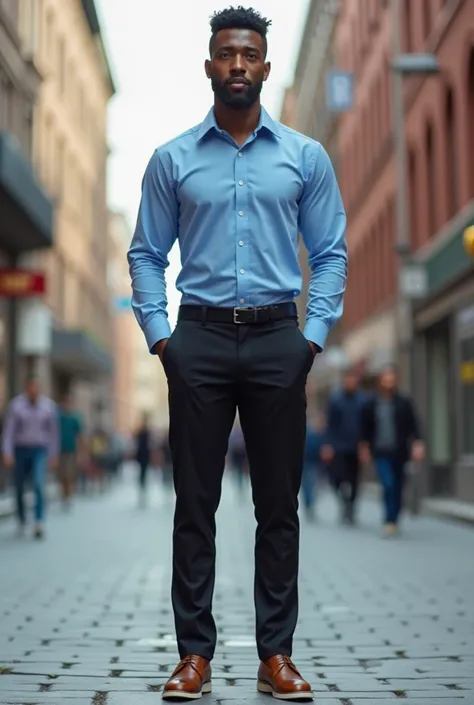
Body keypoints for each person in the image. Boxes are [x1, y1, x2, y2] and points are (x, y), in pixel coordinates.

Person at [128, 6, 346, 700]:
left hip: (281, 337)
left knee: (277, 505)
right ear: (210, 65)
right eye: (227, 54)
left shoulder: (304, 157)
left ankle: (275, 653)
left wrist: (311, 335)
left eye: (250, 54)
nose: (239, 66)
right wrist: (163, 337)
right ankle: (194, 653)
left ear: (266, 66)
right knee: (195, 503)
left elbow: (332, 253)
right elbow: (146, 253)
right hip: (201, 337)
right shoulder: (173, 159)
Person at [359, 366, 425, 537]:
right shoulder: (372, 404)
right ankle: (389, 519)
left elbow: (414, 425)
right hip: (380, 451)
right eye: (385, 379)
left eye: (392, 379)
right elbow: (365, 429)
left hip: (400, 451)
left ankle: (395, 518)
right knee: (388, 484)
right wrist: (364, 448)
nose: (388, 383)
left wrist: (418, 444)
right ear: (380, 381)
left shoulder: (404, 402)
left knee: (398, 485)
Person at [1, 377, 59, 539]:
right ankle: (22, 520)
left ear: (39, 389)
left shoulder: (48, 407)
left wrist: (53, 454)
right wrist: (7, 452)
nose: (33, 391)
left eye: (36, 388)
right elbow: (9, 431)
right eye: (30, 388)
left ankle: (39, 521)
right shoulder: (16, 406)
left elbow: (53, 433)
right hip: (20, 450)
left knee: (39, 484)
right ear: (27, 389)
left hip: (39, 450)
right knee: (19, 487)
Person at [321, 370, 367, 525]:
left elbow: (366, 425)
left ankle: (351, 507)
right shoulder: (335, 400)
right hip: (338, 446)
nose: (350, 383)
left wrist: (364, 445)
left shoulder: (362, 401)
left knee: (354, 479)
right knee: (336, 477)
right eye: (348, 380)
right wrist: (327, 445)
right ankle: (344, 501)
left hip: (355, 446)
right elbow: (330, 425)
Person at [57, 393, 84, 508]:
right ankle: (64, 495)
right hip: (59, 450)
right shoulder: (58, 417)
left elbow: (80, 435)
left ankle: (68, 496)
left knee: (69, 473)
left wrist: (82, 452)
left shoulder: (75, 418)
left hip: (71, 450)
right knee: (61, 474)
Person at [300, 413, 326, 522]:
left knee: (308, 484)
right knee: (309, 484)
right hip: (308, 462)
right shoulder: (312, 434)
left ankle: (309, 505)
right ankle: (309, 505)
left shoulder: (314, 434)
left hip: (309, 462)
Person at [134, 413, 153, 504]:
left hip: (145, 455)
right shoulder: (142, 431)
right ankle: (142, 488)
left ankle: (143, 488)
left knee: (143, 473)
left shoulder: (147, 431)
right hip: (142, 455)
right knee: (142, 473)